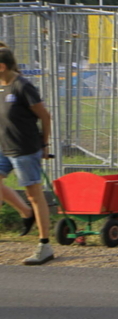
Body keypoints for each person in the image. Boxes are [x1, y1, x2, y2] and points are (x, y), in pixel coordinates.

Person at [0, 47, 54, 265]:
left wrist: (44, 144)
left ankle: (44, 245)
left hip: (24, 148)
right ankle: (25, 212)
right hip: (3, 147)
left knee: (34, 194)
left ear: (2, 67)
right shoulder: (1, 86)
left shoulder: (22, 86)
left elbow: (45, 116)